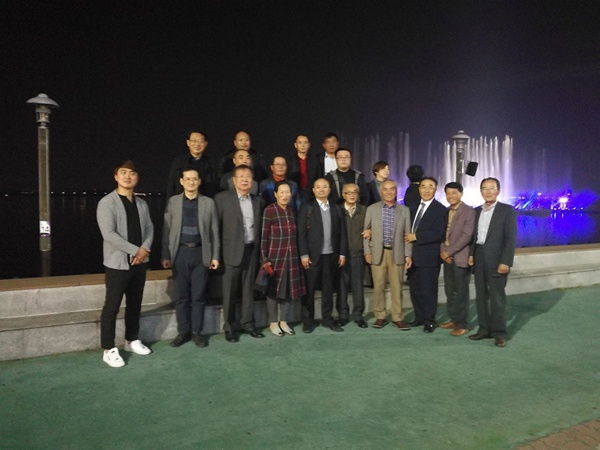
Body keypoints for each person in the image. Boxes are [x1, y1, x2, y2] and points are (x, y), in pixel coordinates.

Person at [96, 160, 154, 368]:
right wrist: (135, 250)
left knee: (135, 304)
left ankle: (131, 340)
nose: (128, 176)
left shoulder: (142, 203)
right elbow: (109, 234)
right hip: (117, 264)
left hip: (139, 263)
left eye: (132, 173)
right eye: (123, 172)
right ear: (116, 177)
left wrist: (143, 250)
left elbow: (149, 229)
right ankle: (108, 349)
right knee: (112, 306)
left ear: (137, 177)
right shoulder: (107, 203)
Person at [161, 167, 220, 348]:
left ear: (200, 181)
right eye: (188, 179)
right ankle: (183, 332)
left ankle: (197, 332)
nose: (191, 182)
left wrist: (215, 256)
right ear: (181, 181)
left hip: (201, 253)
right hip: (180, 252)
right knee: (181, 296)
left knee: (198, 296)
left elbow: (214, 231)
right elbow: (167, 230)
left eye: (195, 179)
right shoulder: (173, 202)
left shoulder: (208, 202)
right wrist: (165, 255)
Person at [214, 165, 264, 342]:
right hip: (231, 252)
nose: (245, 179)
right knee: (229, 292)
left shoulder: (258, 201)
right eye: (241, 176)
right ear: (234, 180)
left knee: (248, 290)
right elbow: (216, 228)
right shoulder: (222, 199)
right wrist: (216, 255)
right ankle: (229, 327)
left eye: (248, 176)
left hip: (251, 251)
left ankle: (248, 323)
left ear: (253, 181)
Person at [468, 177, 516, 348]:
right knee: (480, 296)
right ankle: (484, 329)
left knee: (497, 298)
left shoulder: (507, 211)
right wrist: (471, 254)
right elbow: (473, 237)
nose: (488, 191)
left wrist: (506, 262)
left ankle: (499, 333)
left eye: (492, 188)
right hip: (479, 256)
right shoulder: (476, 211)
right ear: (481, 191)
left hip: (497, 259)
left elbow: (510, 238)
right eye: (484, 188)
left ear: (498, 191)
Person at [298, 178, 347, 333]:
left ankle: (327, 318)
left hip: (331, 255)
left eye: (324, 187)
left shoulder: (336, 208)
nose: (321, 190)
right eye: (318, 187)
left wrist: (342, 253)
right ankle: (308, 320)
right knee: (309, 290)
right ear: (313, 190)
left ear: (329, 190)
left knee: (328, 289)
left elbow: (342, 233)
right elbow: (301, 234)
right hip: (311, 256)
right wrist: (304, 254)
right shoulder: (307, 208)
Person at [364, 180, 413, 329]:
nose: (389, 192)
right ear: (381, 191)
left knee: (397, 288)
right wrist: (367, 251)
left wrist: (408, 255)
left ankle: (397, 317)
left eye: (392, 189)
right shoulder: (372, 209)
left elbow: (408, 234)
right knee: (378, 287)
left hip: (397, 253)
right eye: (385, 189)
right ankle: (380, 316)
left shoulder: (404, 210)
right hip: (377, 252)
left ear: (396, 191)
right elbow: (366, 232)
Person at [260, 180, 306, 337]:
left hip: (291, 257)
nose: (285, 195)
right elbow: (264, 237)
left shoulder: (292, 211)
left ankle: (284, 321)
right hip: (274, 257)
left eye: (288, 192)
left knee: (288, 290)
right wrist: (264, 259)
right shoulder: (269, 210)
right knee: (273, 291)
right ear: (275, 194)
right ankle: (273, 322)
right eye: (282, 192)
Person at [404, 176, 447, 333]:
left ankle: (429, 321)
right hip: (413, 257)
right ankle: (419, 317)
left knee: (428, 291)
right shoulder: (412, 207)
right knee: (415, 290)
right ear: (419, 188)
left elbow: (438, 233)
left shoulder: (440, 210)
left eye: (430, 187)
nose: (426, 190)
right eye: (423, 186)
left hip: (429, 257)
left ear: (435, 189)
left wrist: (416, 236)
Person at [439, 182, 475, 336]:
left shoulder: (469, 211)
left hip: (460, 257)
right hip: (447, 257)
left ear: (461, 193)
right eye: (448, 193)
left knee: (461, 293)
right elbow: (441, 234)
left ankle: (462, 324)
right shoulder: (446, 211)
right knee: (449, 291)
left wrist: (449, 252)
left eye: (454, 193)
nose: (450, 196)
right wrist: (443, 252)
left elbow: (467, 236)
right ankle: (454, 319)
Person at [337, 183, 368, 328]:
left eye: (354, 192)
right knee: (342, 287)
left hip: (358, 254)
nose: (352, 195)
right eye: (348, 193)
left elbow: (370, 227)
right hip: (341, 255)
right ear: (343, 195)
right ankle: (343, 315)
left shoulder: (364, 210)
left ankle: (358, 315)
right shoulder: (337, 210)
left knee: (358, 286)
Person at [166, 131, 217, 199]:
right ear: (188, 142)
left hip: (204, 201)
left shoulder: (211, 163)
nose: (197, 144)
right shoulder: (179, 162)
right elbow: (171, 185)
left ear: (205, 144)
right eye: (194, 141)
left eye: (201, 141)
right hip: (181, 200)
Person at [287, 134, 320, 205]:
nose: (303, 145)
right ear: (295, 145)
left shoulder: (315, 160)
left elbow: (318, 176)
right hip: (294, 194)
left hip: (311, 194)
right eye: (300, 143)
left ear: (309, 145)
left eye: (305, 143)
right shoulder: (290, 161)